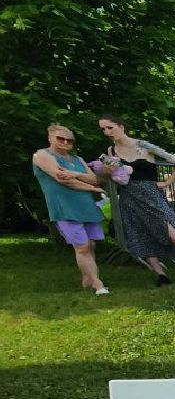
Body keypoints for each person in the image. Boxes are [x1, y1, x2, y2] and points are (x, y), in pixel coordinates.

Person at [96, 115, 175, 287]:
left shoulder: (144, 146)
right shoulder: (111, 151)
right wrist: (107, 170)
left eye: (110, 127)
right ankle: (161, 275)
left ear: (121, 126)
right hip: (129, 197)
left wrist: (167, 182)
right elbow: (111, 177)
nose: (107, 132)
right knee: (141, 236)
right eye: (103, 129)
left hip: (153, 196)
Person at [31, 124, 109, 295]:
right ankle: (98, 284)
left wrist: (75, 174)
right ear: (50, 138)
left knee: (91, 245)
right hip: (64, 207)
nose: (65, 142)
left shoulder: (77, 159)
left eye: (69, 140)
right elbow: (62, 180)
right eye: (61, 138)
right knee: (82, 246)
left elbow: (94, 179)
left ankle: (87, 280)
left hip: (86, 206)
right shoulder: (42, 155)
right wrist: (91, 189)